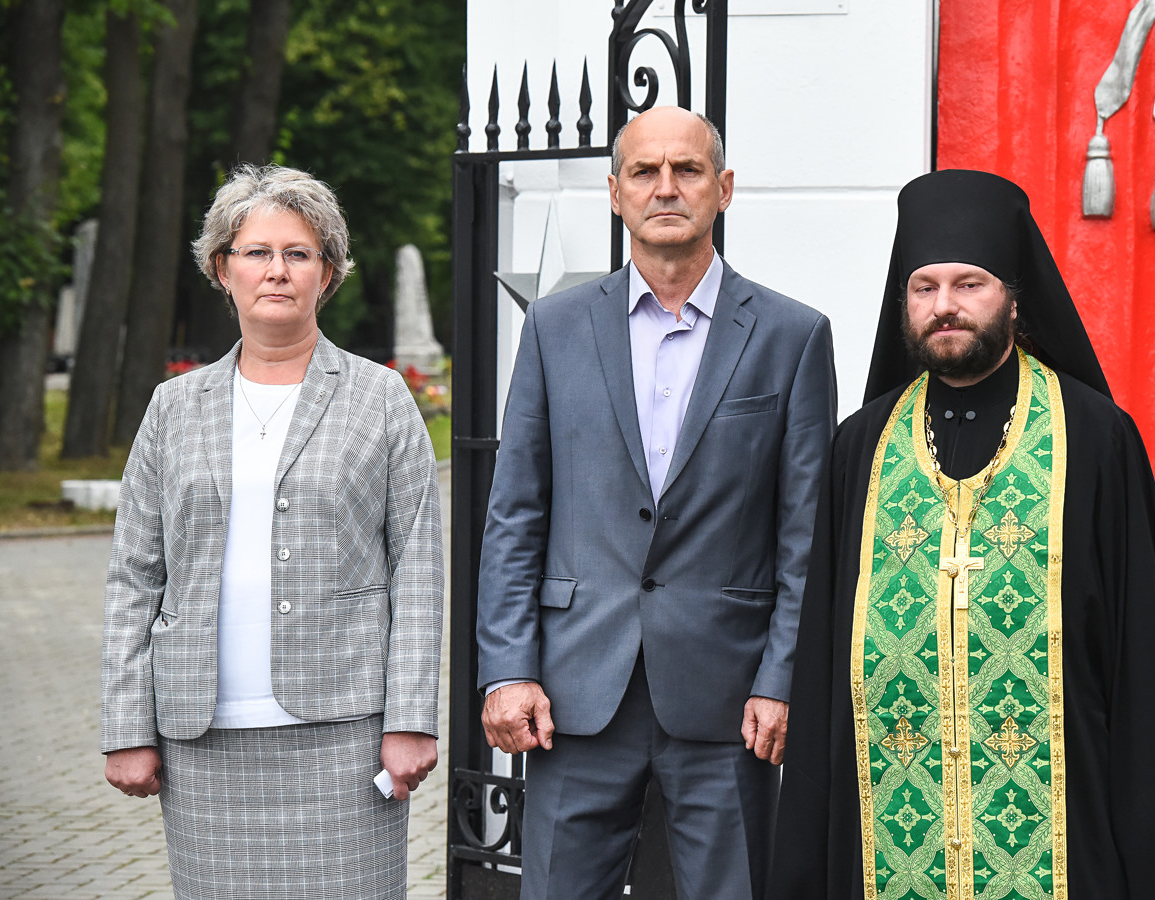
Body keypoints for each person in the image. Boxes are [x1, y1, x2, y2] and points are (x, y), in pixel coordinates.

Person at [770, 169, 1155, 899]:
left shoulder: (1095, 438)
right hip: (889, 848)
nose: (944, 307)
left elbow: (1140, 665)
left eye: (969, 284)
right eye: (924, 288)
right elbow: (826, 665)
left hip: (1065, 843)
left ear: (1014, 299)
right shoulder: (862, 446)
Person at [475, 105, 837, 899]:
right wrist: (506, 670)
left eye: (687, 169)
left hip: (729, 697)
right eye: (644, 171)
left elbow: (805, 533)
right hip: (573, 693)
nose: (665, 187)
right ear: (615, 193)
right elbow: (515, 513)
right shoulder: (555, 328)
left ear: (723, 188)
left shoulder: (792, 336)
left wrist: (783, 677)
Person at [101, 164, 443, 898]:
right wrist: (126, 726)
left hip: (346, 739)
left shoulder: (381, 398)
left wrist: (412, 718)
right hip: (202, 744)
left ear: (329, 272)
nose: (277, 270)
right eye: (257, 252)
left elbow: (418, 569)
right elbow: (134, 575)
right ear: (223, 270)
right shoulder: (173, 407)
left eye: (298, 253)